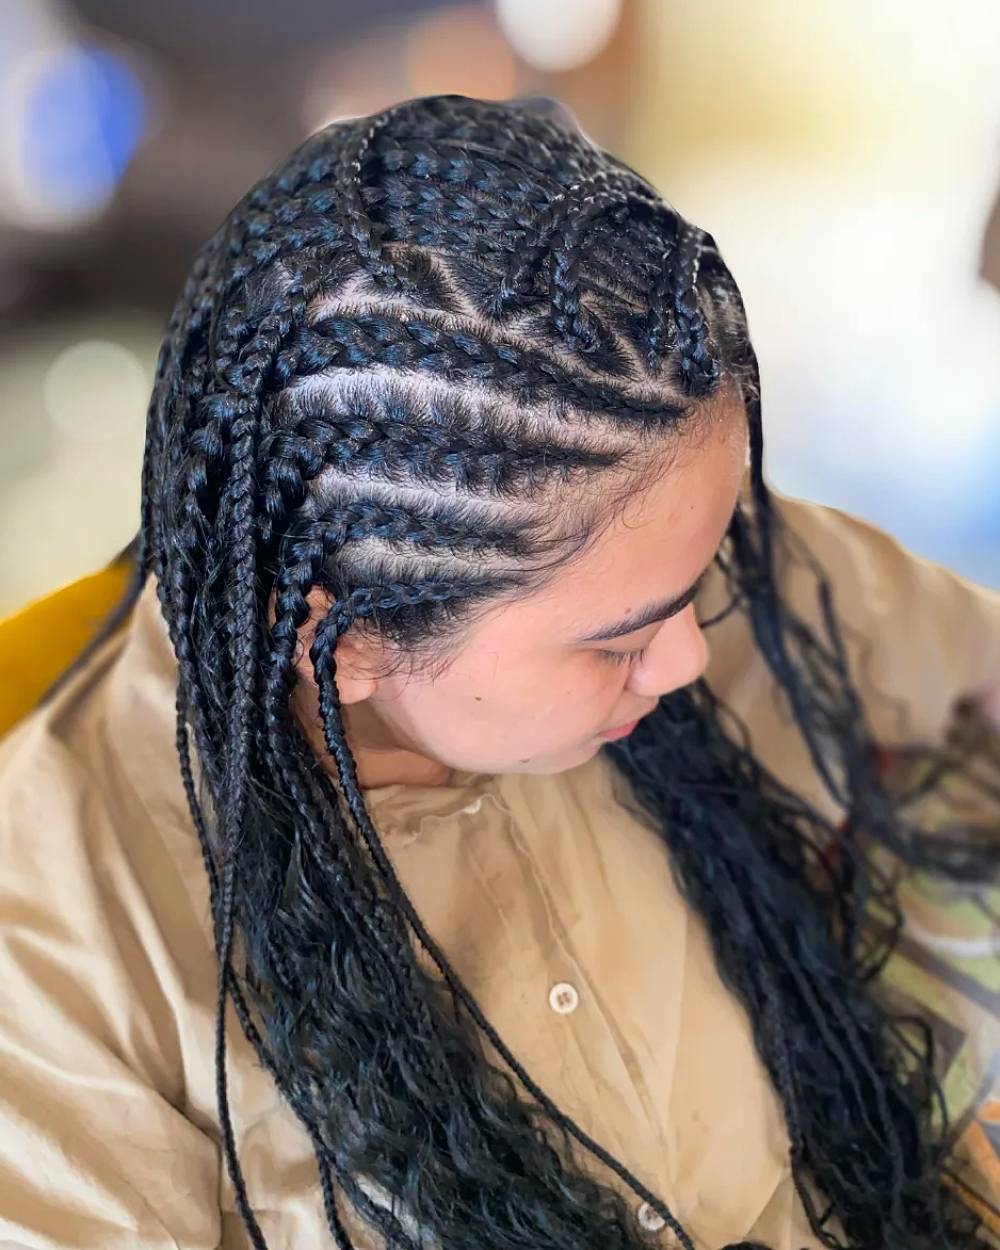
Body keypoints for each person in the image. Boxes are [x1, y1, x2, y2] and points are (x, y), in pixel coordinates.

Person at [1, 93, 999, 1250]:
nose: (687, 654)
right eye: (617, 641)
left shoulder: (660, 555)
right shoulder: (60, 949)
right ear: (350, 634)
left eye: (703, 568)